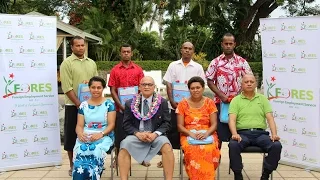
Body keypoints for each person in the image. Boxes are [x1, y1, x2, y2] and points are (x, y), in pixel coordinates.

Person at [118, 76, 174, 180]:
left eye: (150, 84)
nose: (147, 87)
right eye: (144, 84)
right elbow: (126, 124)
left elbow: (167, 123)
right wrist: (138, 134)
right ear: (139, 87)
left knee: (167, 146)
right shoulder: (130, 103)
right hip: (137, 135)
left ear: (154, 87)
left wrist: (155, 134)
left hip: (156, 135)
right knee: (124, 145)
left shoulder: (162, 102)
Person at [228, 74, 282, 180]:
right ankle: (238, 174)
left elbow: (270, 118)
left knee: (276, 145)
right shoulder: (236, 100)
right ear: (241, 84)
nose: (249, 84)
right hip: (242, 134)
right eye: (246, 82)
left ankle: (266, 173)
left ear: (255, 84)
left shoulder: (263, 99)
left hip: (260, 134)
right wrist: (234, 134)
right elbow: (232, 119)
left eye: (251, 82)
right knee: (233, 145)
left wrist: (274, 134)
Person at [162, 41, 205, 168]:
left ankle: (188, 157)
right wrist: (171, 101)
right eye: (185, 48)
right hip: (174, 106)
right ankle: (169, 159)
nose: (187, 50)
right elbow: (169, 84)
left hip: (192, 108)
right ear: (181, 50)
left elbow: (201, 86)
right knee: (173, 132)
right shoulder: (173, 65)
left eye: (190, 49)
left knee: (189, 131)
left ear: (193, 51)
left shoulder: (197, 67)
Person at [60, 36, 98, 176]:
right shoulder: (67, 63)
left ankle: (90, 163)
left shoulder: (92, 63)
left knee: (89, 134)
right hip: (73, 105)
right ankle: (72, 164)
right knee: (71, 135)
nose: (81, 48)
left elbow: (96, 84)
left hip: (91, 106)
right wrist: (78, 104)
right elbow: (67, 87)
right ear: (72, 47)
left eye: (83, 45)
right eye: (78, 46)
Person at [205, 33, 253, 143]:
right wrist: (221, 95)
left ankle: (235, 158)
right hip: (219, 103)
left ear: (234, 44)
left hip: (239, 103)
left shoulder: (242, 62)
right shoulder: (215, 62)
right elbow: (209, 80)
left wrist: (239, 96)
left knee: (237, 132)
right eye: (226, 43)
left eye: (230, 43)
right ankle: (217, 157)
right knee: (218, 133)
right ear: (222, 44)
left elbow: (249, 79)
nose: (228, 46)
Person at [176, 76, 220, 179]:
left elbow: (214, 124)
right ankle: (194, 176)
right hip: (188, 133)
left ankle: (208, 176)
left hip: (208, 132)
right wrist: (192, 134)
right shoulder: (182, 104)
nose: (195, 90)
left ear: (203, 88)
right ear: (189, 89)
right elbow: (179, 126)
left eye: (198, 87)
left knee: (209, 148)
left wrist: (206, 134)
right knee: (192, 148)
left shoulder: (210, 103)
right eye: (192, 88)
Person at [72, 76, 116, 180]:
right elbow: (79, 125)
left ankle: (93, 177)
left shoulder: (109, 104)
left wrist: (100, 134)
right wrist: (80, 134)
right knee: (80, 151)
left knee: (95, 151)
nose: (96, 90)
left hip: (104, 135)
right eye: (93, 87)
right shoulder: (83, 105)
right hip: (86, 135)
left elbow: (111, 125)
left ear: (103, 88)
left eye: (99, 87)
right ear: (89, 88)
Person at [108, 44, 144, 153]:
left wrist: (136, 104)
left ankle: (141, 157)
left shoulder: (138, 70)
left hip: (136, 108)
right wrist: (121, 106)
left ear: (132, 53)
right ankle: (118, 158)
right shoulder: (115, 70)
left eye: (128, 51)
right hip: (120, 108)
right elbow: (112, 90)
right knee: (119, 134)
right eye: (124, 52)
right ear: (120, 53)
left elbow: (142, 88)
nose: (126, 53)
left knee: (138, 133)